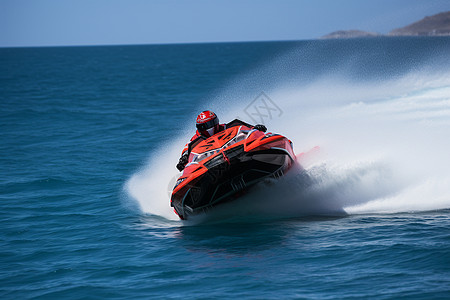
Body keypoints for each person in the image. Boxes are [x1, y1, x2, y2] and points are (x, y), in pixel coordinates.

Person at [176, 110, 267, 171]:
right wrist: (183, 160)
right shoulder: (195, 140)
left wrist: (256, 128)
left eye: (212, 122)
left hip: (238, 154)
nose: (210, 127)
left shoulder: (227, 127)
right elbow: (186, 151)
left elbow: (247, 130)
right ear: (200, 128)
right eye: (206, 125)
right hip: (211, 166)